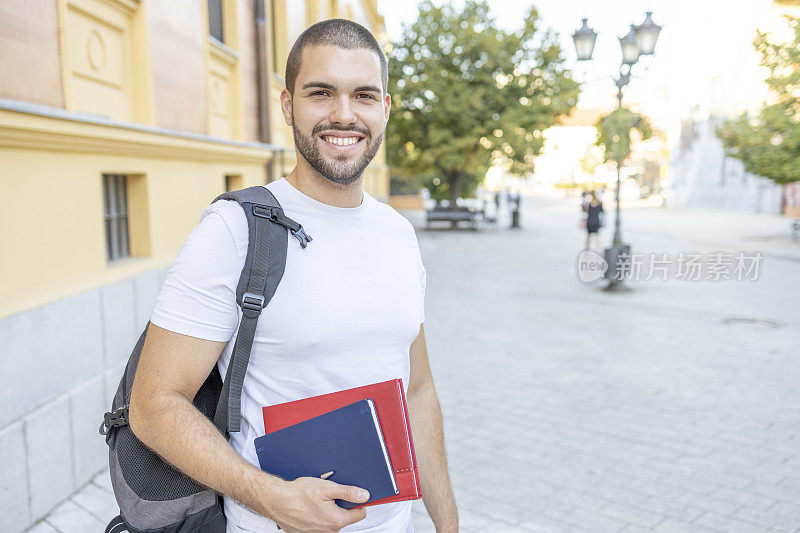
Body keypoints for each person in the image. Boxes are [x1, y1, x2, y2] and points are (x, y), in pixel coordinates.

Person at [128, 19, 458, 533]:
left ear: (385, 110)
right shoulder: (234, 230)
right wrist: (273, 499)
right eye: (321, 93)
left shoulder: (397, 233)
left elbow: (417, 389)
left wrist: (448, 524)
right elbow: (152, 406)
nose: (344, 114)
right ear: (288, 106)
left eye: (364, 95)